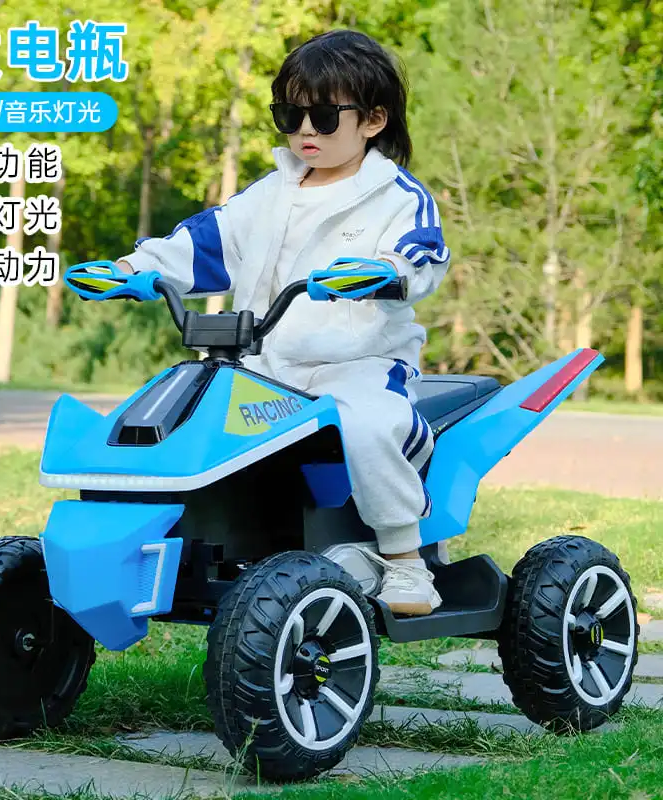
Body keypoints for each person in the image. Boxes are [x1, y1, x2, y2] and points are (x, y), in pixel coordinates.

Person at [115, 29, 450, 615]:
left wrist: (387, 271)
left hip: (359, 363)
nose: (304, 130)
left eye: (324, 116)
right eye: (289, 115)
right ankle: (195, 549)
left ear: (373, 120)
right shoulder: (269, 193)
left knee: (369, 425)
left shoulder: (396, 196)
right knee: (186, 421)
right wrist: (133, 267)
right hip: (266, 364)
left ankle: (404, 560)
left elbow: (422, 252)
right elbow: (206, 242)